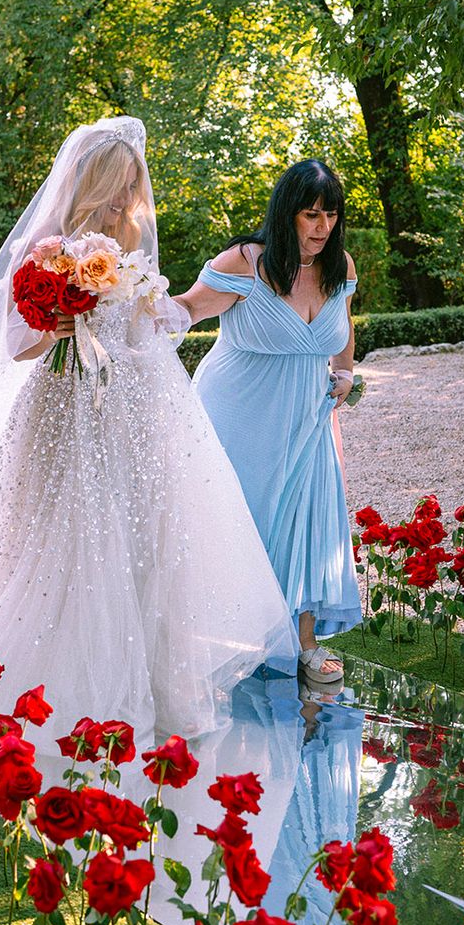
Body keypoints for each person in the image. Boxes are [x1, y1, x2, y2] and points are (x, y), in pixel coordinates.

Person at [0, 117, 298, 747]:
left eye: (131, 187)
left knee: (144, 540)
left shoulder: (130, 246)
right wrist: (58, 325)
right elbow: (17, 346)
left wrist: (162, 318)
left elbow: (149, 332)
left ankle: (151, 688)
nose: (126, 201)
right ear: (87, 184)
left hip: (133, 415)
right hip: (62, 413)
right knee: (67, 543)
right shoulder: (41, 250)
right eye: (115, 188)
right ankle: (67, 693)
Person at [174, 160, 362, 684]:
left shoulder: (339, 267)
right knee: (239, 523)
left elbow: (342, 326)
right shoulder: (246, 263)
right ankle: (212, 639)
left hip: (307, 417)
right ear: (288, 213)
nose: (322, 227)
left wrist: (345, 371)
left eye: (330, 214)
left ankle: (303, 644)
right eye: (310, 215)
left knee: (308, 523)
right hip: (237, 414)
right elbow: (187, 308)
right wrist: (126, 303)